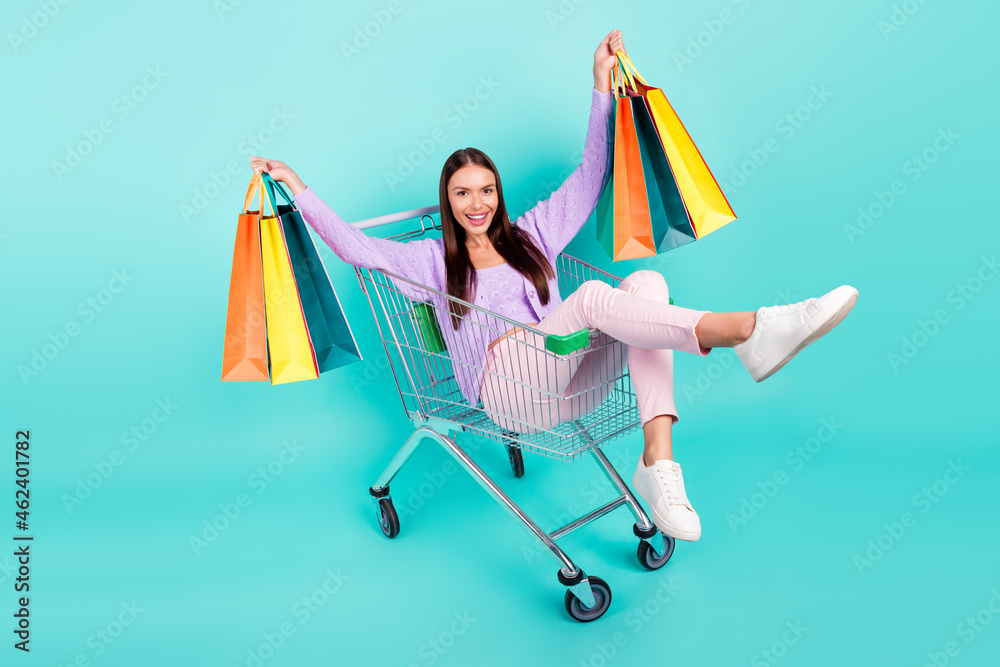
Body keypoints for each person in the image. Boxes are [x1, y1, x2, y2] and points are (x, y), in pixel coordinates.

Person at [248, 29, 858, 544]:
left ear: (498, 194)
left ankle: (659, 463)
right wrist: (300, 188)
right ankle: (753, 329)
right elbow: (356, 248)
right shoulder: (432, 263)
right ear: (448, 200)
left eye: (486, 190)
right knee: (594, 298)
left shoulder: (532, 234)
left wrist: (599, 85)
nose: (476, 203)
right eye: (462, 193)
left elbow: (591, 176)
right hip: (505, 393)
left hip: (571, 386)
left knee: (646, 282)